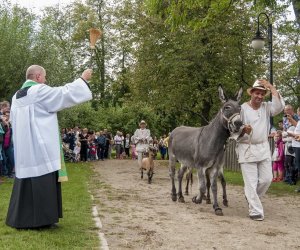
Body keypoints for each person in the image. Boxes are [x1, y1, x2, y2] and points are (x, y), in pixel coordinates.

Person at [6, 65, 93, 229]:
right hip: (40, 148)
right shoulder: (38, 91)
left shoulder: (15, 96)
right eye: (44, 77)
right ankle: (42, 220)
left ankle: (21, 218)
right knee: (42, 178)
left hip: (25, 150)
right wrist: (83, 79)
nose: (46, 81)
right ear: (38, 76)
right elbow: (63, 94)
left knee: (26, 182)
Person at [235, 79, 284, 221]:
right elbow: (234, 128)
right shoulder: (242, 108)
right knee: (250, 182)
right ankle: (255, 210)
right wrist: (244, 129)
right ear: (252, 93)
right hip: (247, 147)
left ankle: (251, 196)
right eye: (257, 93)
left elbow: (279, 107)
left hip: (263, 147)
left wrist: (271, 87)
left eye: (263, 94)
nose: (260, 96)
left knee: (266, 179)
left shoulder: (266, 107)